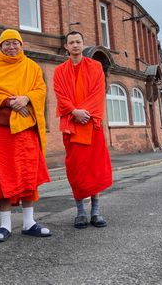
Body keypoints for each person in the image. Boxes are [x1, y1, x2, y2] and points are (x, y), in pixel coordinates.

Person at [0, 29, 51, 243]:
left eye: (15, 43)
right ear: (0, 46)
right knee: (3, 176)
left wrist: (26, 98)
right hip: (2, 131)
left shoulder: (31, 66)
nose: (11, 47)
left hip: (26, 131)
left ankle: (29, 223)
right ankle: (5, 225)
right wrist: (10, 102)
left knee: (29, 176)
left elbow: (41, 89)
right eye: (7, 43)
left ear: (21, 45)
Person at [53, 31, 113, 229]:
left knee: (94, 169)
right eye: (72, 42)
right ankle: (80, 212)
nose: (75, 45)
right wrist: (74, 111)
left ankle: (95, 211)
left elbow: (98, 93)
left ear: (82, 44)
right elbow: (60, 95)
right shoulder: (60, 70)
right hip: (72, 127)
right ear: (66, 47)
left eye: (78, 42)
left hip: (91, 125)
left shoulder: (95, 66)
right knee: (76, 170)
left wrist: (83, 112)